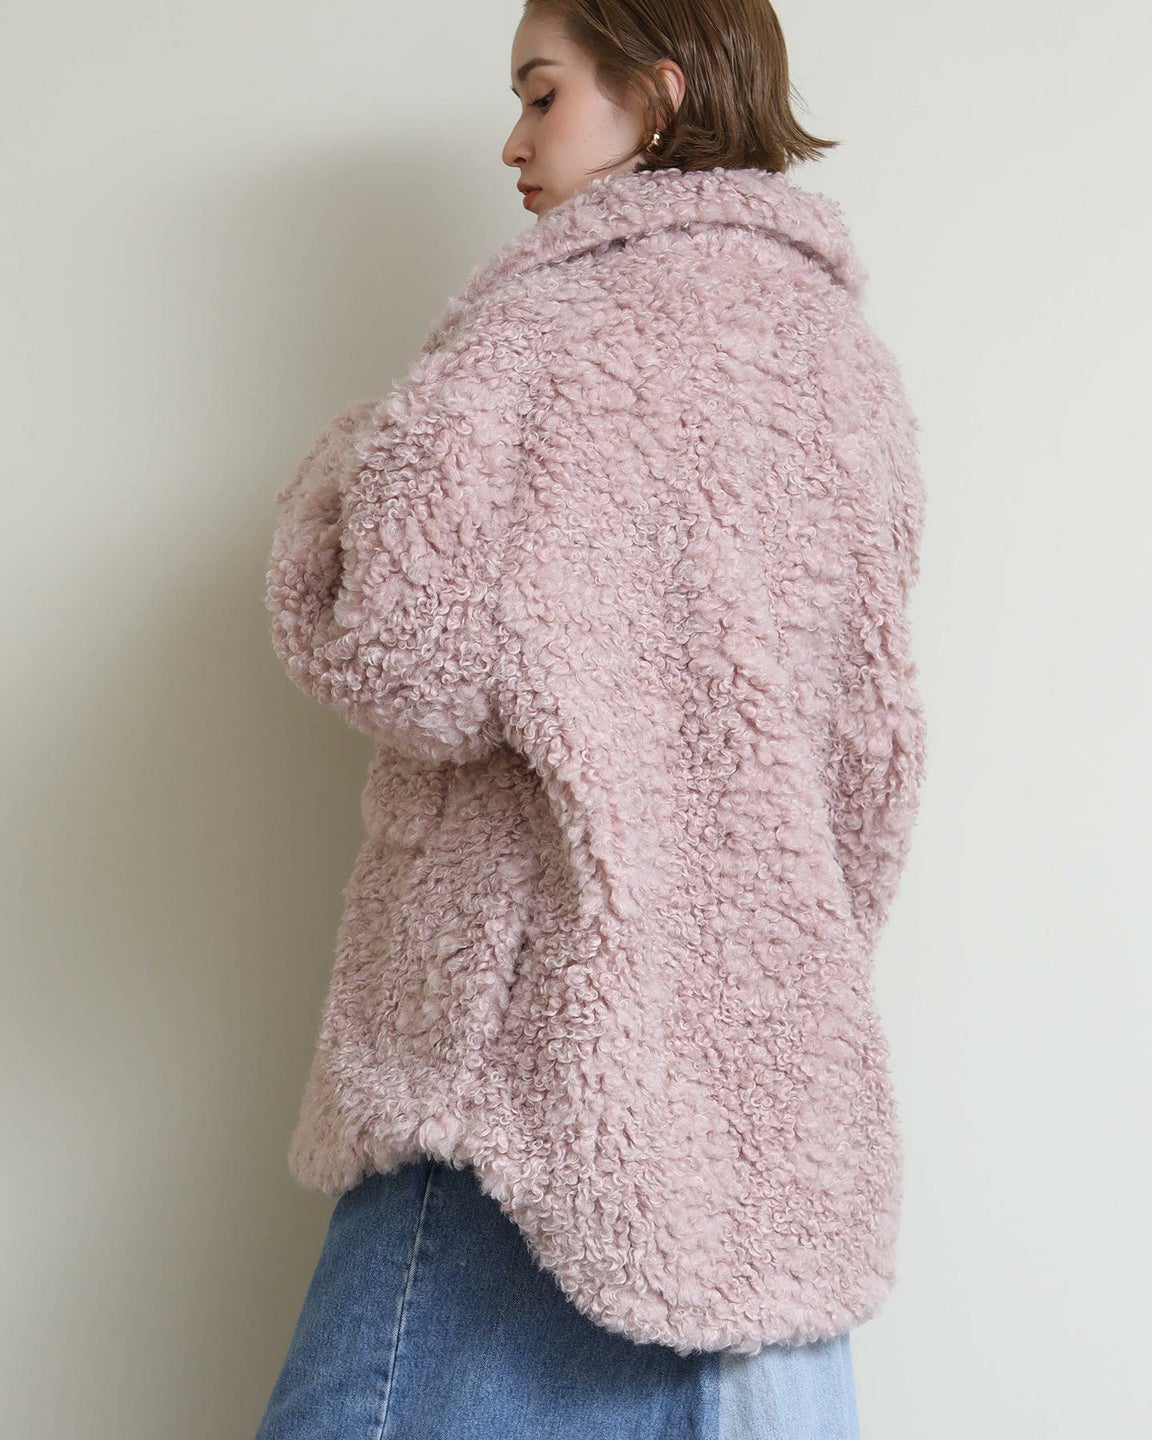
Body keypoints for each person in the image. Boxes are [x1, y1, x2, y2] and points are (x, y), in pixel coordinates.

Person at [255, 1, 927, 1436]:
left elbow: (397, 648)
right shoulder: (848, 375)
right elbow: (876, 760)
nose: (513, 141)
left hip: (521, 1095)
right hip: (759, 1114)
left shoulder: (542, 338)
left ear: (659, 94)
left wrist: (353, 462)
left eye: (541, 94)